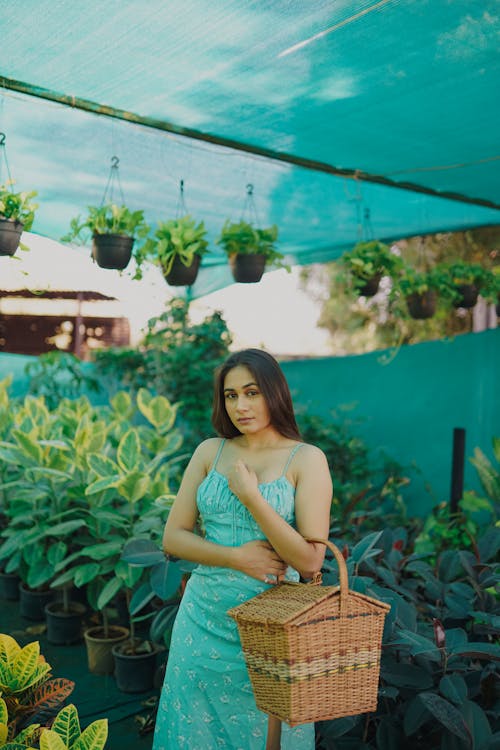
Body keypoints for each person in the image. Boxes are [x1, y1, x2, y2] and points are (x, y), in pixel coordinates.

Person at [152, 348, 333, 750]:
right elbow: (173, 537)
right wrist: (235, 557)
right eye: (231, 395)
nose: (240, 405)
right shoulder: (209, 451)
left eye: (251, 392)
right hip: (201, 622)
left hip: (271, 630)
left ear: (274, 393)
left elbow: (309, 561)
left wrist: (253, 498)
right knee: (191, 734)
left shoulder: (307, 459)